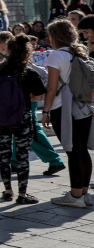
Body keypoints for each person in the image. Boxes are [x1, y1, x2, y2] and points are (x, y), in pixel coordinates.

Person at [0, 34, 47, 204]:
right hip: (21, 117)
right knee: (22, 155)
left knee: (4, 153)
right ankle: (22, 194)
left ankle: (7, 191)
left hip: (0, 117)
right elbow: (39, 96)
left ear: (9, 50)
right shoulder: (29, 72)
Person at [43, 19, 94, 208]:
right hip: (83, 106)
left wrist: (46, 111)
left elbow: (51, 88)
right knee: (82, 150)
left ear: (54, 37)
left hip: (63, 107)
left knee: (72, 150)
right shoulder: (80, 52)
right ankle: (84, 193)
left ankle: (75, 195)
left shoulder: (56, 56)